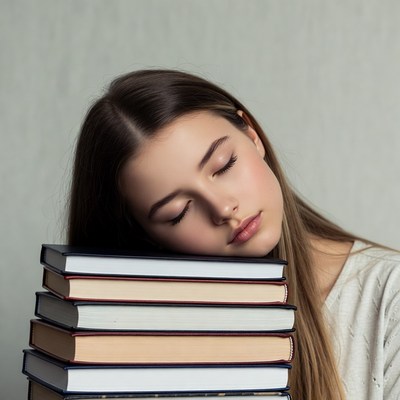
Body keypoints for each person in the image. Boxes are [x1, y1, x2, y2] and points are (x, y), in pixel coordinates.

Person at [67, 69, 400, 399]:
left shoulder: (389, 295)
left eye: (224, 165)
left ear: (253, 136)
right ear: (145, 237)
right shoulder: (137, 352)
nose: (223, 209)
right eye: (178, 212)